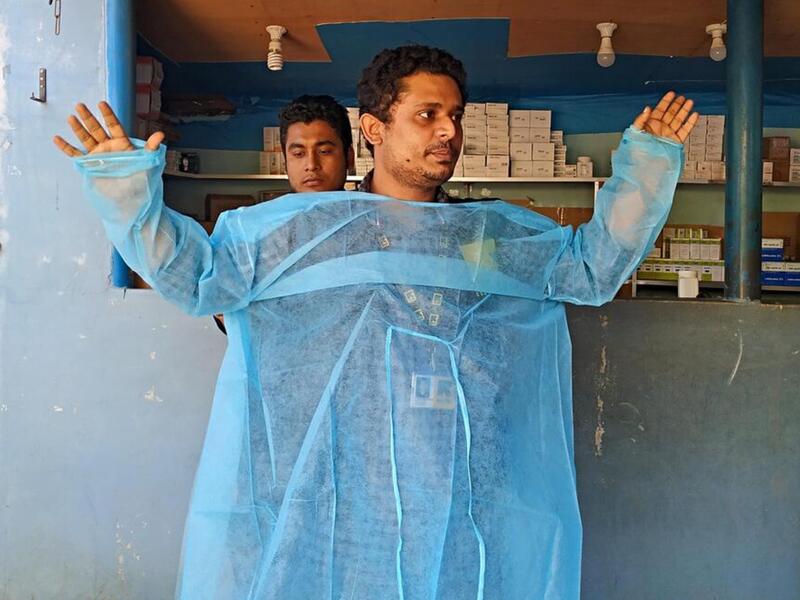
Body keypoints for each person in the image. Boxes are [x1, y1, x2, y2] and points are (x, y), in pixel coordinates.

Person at [55, 44, 696, 599]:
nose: (447, 131)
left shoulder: (479, 239)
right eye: (426, 115)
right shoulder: (306, 234)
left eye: (455, 116)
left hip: (458, 492)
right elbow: (197, 276)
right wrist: (127, 191)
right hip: (333, 494)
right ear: (373, 128)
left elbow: (587, 269)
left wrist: (647, 167)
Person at [212, 94, 354, 333]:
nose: (311, 164)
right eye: (298, 154)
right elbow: (227, 316)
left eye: (325, 151)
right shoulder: (261, 233)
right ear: (285, 160)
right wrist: (223, 307)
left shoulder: (373, 224)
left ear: (349, 157)